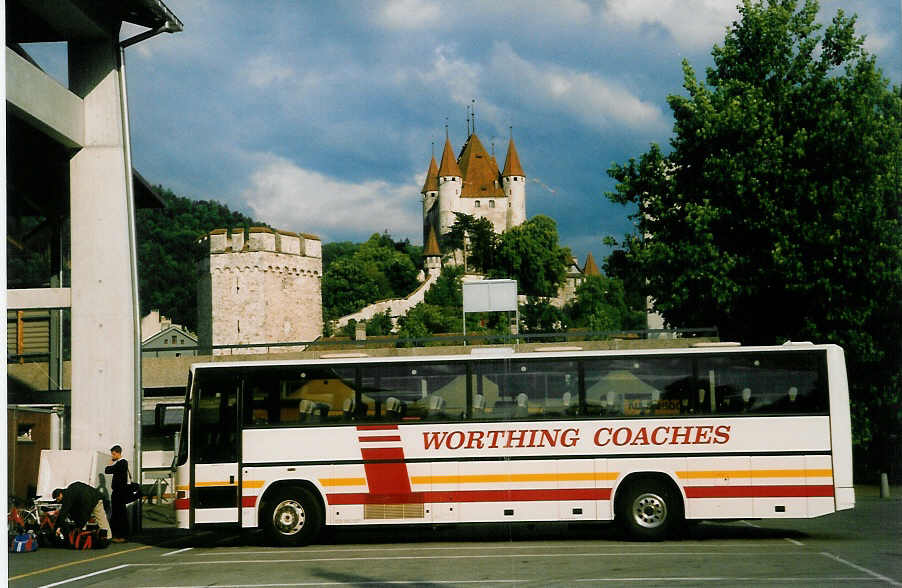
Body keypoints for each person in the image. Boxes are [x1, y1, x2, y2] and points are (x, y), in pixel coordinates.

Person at [104, 444, 129, 543]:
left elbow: (108, 470)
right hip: (118, 492)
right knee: (117, 513)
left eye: (113, 454)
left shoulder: (122, 463)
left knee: (119, 514)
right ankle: (119, 535)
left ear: (118, 453)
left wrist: (110, 463)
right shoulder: (120, 463)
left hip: (120, 492)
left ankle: (121, 535)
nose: (112, 456)